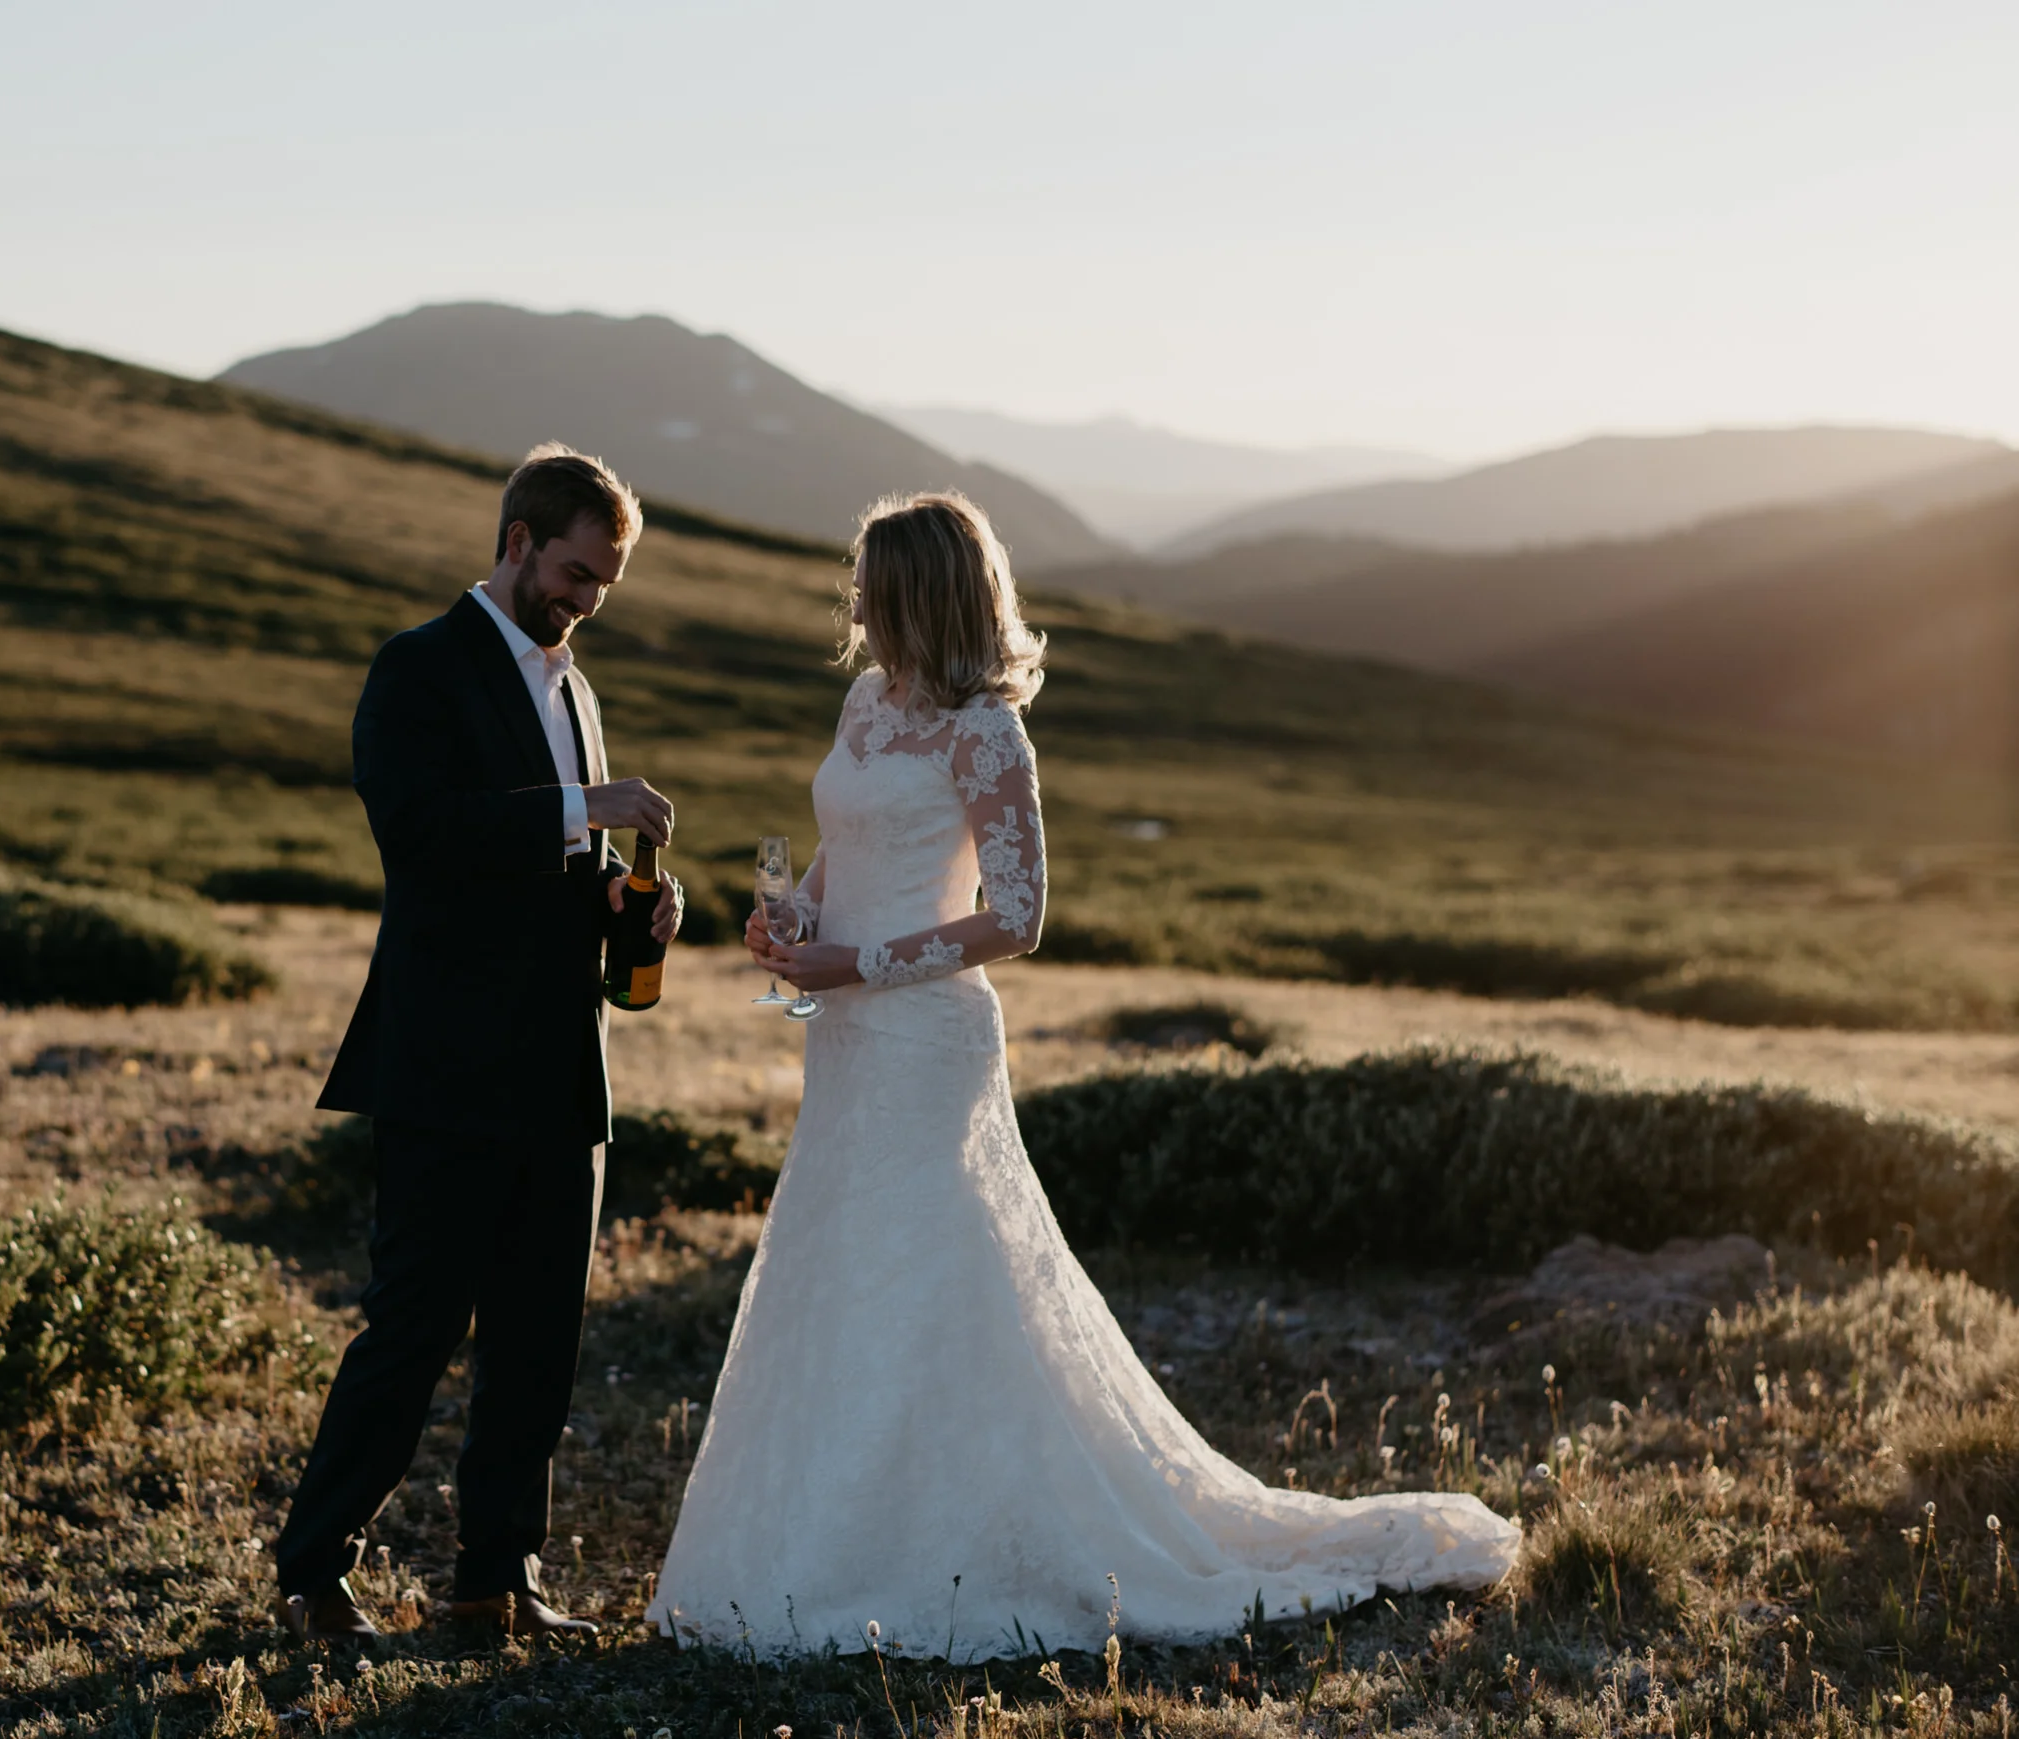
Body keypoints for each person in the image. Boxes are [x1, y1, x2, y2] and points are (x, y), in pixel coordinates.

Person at [647, 492, 1517, 1660]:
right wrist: (795, 911)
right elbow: (844, 853)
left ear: (920, 591)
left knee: (934, 1275)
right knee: (840, 1269)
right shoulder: (867, 700)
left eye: (868, 581)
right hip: (846, 1037)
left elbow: (1019, 914)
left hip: (923, 1037)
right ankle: (818, 1541)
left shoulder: (986, 731)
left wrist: (859, 959)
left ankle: (950, 1543)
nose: (850, 599)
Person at [278, 444, 683, 1642]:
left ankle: (495, 1581)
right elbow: (420, 832)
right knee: (411, 1329)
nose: (586, 599)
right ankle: (312, 1571)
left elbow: (561, 862)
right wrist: (584, 811)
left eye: (605, 581)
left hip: (561, 1065)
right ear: (516, 542)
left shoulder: (575, 688)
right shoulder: (418, 667)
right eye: (573, 571)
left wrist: (628, 896)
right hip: (446, 1061)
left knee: (537, 1343)